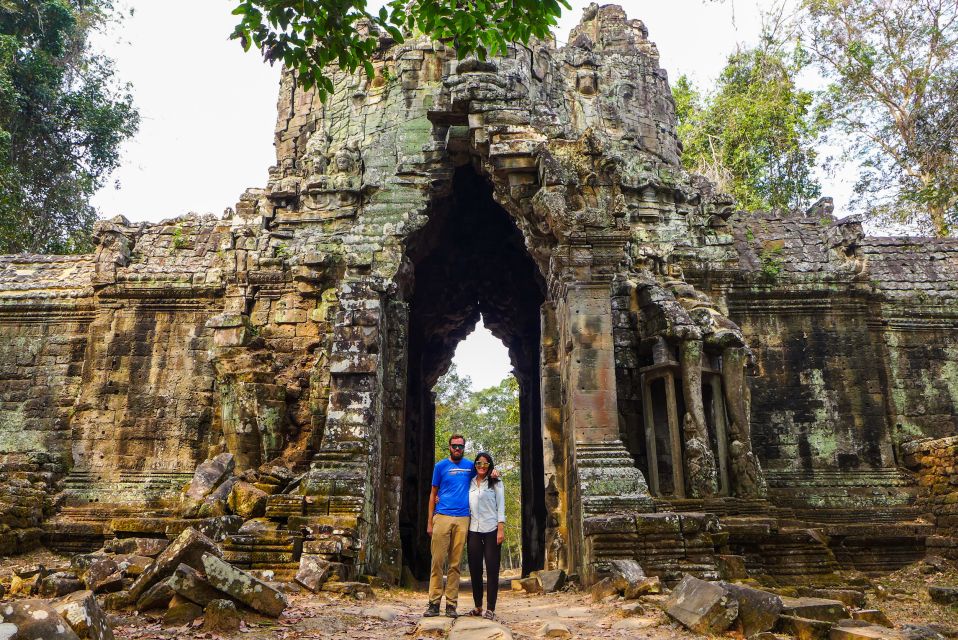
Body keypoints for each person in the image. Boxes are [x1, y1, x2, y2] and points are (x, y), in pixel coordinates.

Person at [424, 434, 474, 618]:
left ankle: (451, 605)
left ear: (464, 447)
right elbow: (432, 494)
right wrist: (430, 521)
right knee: (437, 562)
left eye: (461, 446)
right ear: (449, 447)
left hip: (463, 518)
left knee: (455, 564)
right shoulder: (440, 466)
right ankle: (434, 603)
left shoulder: (470, 466)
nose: (457, 449)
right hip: (442, 516)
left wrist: (494, 473)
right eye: (454, 446)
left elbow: (482, 480)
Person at [466, 451, 505, 621]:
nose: (482, 466)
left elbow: (501, 506)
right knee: (475, 569)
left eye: (485, 464)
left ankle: (490, 608)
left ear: (490, 466)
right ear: (475, 465)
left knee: (492, 569)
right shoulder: (470, 482)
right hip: (474, 529)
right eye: (479, 463)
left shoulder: (496, 481)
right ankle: (478, 606)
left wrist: (501, 529)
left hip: (492, 529)